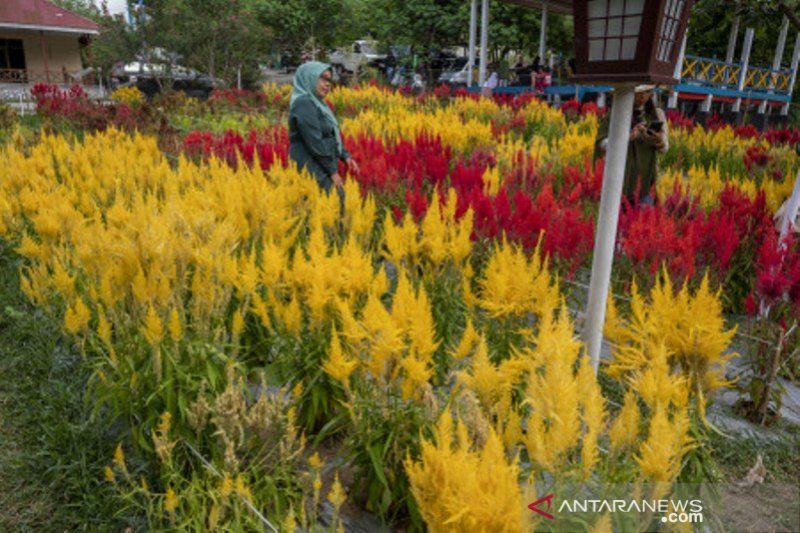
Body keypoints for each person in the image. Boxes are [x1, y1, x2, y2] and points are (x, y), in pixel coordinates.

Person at [288, 61, 359, 196]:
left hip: (320, 162)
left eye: (330, 80)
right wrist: (331, 171)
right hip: (309, 163)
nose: (328, 84)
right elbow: (315, 141)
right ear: (309, 77)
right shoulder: (303, 103)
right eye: (323, 78)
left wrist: (345, 156)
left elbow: (331, 134)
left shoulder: (318, 104)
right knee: (335, 198)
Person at [594, 84, 669, 204]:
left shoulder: (657, 114)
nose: (643, 97)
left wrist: (656, 139)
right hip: (619, 182)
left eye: (647, 91)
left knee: (642, 220)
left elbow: (664, 148)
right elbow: (602, 144)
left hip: (645, 184)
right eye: (638, 92)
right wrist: (629, 136)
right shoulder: (616, 113)